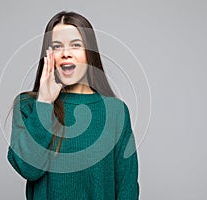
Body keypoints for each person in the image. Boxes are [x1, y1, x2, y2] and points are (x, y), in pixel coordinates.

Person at [7, 11, 140, 200]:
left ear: (89, 52)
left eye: (75, 45)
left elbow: (127, 189)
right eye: (57, 46)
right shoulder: (29, 105)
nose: (66, 53)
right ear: (48, 56)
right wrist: (44, 102)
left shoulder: (116, 112)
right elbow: (28, 169)